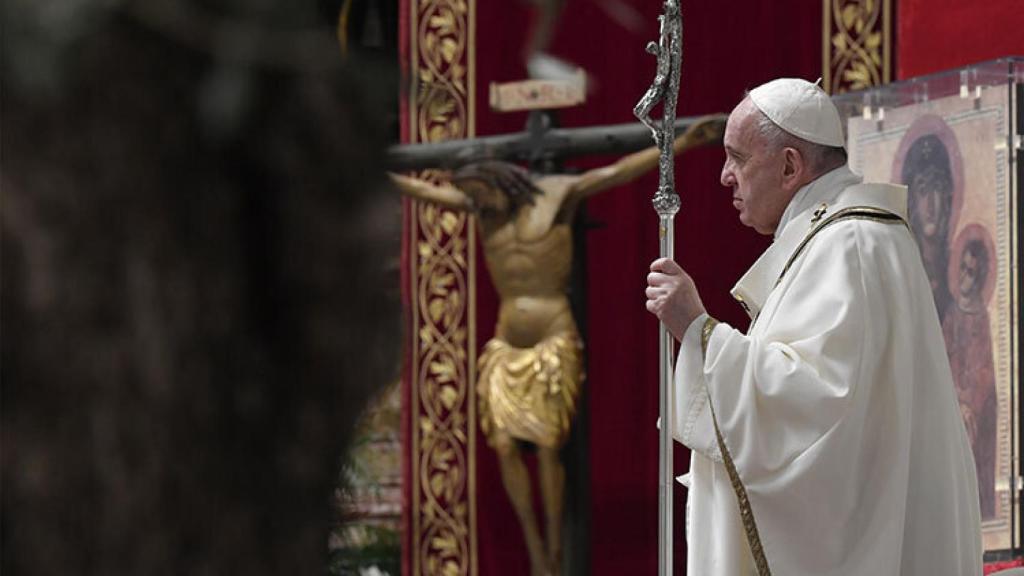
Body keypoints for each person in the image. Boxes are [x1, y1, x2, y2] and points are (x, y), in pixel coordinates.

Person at [644, 78, 982, 575]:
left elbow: (814, 408)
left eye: (737, 158)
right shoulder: (842, 236)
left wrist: (698, 329)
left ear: (789, 166)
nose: (724, 177)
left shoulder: (851, 244)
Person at [391, 114, 723, 576]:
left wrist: (682, 144)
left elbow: (616, 172)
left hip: (552, 337)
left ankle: (554, 549)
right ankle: (536, 550)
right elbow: (422, 191)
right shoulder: (482, 207)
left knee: (549, 446)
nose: (476, 207)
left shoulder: (556, 195)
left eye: (480, 197)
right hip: (506, 345)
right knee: (504, 445)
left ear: (500, 181)